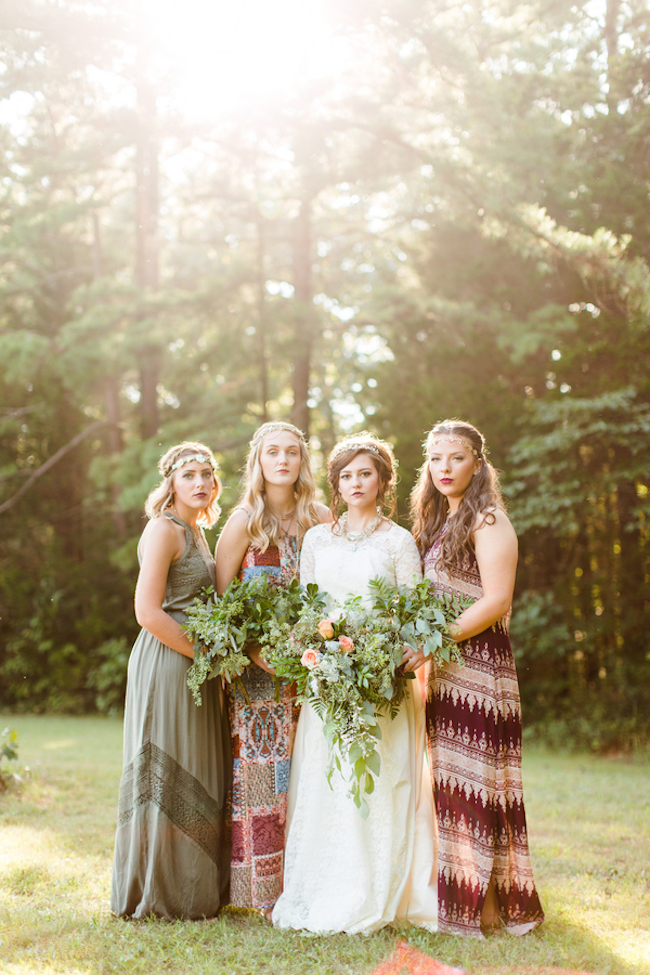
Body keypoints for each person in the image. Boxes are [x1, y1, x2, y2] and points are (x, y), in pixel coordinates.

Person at [272, 435, 438, 935]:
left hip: (382, 683)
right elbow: (309, 610)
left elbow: (411, 613)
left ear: (383, 481)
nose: (355, 483)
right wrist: (322, 656)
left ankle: (377, 885)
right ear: (336, 483)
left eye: (365, 473)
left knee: (380, 777)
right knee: (330, 780)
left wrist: (384, 658)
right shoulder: (317, 540)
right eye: (346, 475)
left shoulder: (398, 541)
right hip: (328, 679)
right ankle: (320, 883)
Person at [410, 419, 544, 938]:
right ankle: (461, 900)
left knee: (479, 785)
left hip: (479, 666)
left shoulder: (488, 520)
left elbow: (496, 600)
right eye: (437, 458)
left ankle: (488, 906)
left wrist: (431, 642)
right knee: (450, 784)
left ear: (477, 464)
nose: (445, 468)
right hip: (442, 669)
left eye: (457, 458)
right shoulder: (437, 522)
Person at [215, 421, 330, 918]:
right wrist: (252, 646)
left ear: (303, 461)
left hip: (313, 673)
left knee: (311, 775)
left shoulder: (321, 518)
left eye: (291, 453)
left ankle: (312, 884)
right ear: (258, 462)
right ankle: (262, 893)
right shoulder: (244, 520)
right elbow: (221, 603)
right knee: (263, 778)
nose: (282, 461)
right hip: (258, 677)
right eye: (272, 453)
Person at [111, 442, 231, 920]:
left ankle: (196, 889)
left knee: (199, 766)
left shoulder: (198, 531)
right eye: (189, 475)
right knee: (166, 767)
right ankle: (159, 889)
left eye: (206, 474)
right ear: (171, 483)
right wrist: (206, 656)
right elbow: (147, 612)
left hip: (196, 664)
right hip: (168, 659)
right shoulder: (164, 529)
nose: (200, 483)